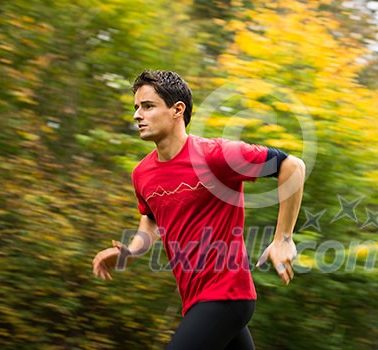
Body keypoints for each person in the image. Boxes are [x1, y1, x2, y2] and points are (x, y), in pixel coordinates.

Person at [92, 70, 305, 350]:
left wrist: (283, 239)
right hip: (194, 298)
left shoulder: (215, 156)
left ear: (177, 110)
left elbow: (293, 167)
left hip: (227, 295)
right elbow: (152, 219)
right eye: (136, 108)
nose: (137, 115)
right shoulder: (142, 174)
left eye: (148, 106)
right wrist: (132, 252)